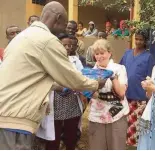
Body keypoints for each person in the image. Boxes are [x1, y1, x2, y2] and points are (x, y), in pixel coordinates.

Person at [0, 2, 105, 150]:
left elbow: (29, 77)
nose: (64, 30)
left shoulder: (22, 37)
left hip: (5, 114)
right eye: (64, 24)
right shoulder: (47, 40)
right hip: (15, 120)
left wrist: (57, 86)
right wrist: (96, 84)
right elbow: (71, 77)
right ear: (57, 18)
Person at [88, 39, 129, 150]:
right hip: (97, 116)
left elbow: (121, 93)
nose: (99, 56)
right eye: (97, 54)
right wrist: (94, 87)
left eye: (102, 53)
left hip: (117, 115)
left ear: (109, 53)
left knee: (116, 147)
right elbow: (87, 95)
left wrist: (112, 76)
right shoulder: (91, 72)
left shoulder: (119, 69)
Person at [45, 33, 84, 150]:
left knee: (71, 136)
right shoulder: (49, 61)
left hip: (71, 103)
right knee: (53, 137)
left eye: (70, 45)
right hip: (54, 103)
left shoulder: (75, 61)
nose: (68, 48)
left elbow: (82, 78)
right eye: (64, 45)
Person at [119, 30, 155, 146]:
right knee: (123, 124)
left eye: (141, 40)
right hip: (124, 95)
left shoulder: (148, 57)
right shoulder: (127, 53)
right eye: (137, 39)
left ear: (145, 41)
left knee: (135, 128)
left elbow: (150, 79)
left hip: (139, 98)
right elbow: (120, 70)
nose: (138, 42)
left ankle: (134, 147)